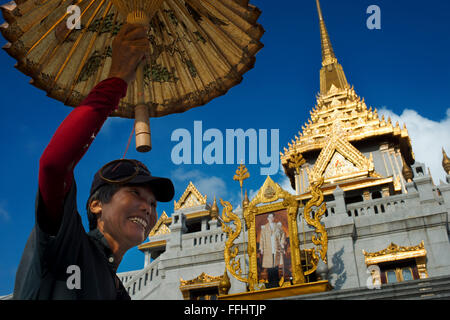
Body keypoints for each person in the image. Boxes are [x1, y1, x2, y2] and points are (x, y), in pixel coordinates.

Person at [12, 24, 174, 300]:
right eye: (135, 193)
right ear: (96, 204)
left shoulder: (118, 292)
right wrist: (118, 78)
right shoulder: (66, 242)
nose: (148, 208)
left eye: (153, 203)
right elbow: (53, 164)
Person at [259, 213, 286, 287]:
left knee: (276, 265)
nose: (271, 218)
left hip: (276, 247)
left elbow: (283, 235)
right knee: (269, 266)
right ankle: (270, 282)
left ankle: (276, 281)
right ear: (267, 218)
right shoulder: (264, 228)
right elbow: (262, 239)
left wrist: (282, 243)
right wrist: (261, 248)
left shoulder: (278, 226)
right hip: (268, 248)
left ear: (274, 218)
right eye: (269, 217)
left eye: (272, 217)